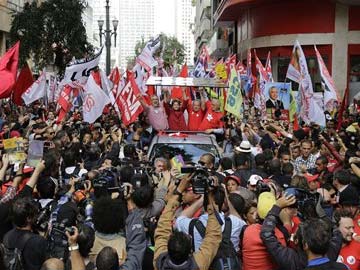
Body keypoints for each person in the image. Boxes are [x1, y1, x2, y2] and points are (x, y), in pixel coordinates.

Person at [153, 176, 222, 270]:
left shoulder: (160, 262)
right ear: (191, 250)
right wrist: (210, 197)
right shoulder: (198, 265)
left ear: (167, 248)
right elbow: (213, 236)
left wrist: (178, 191)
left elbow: (162, 230)